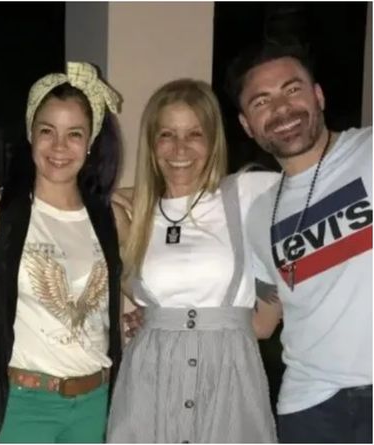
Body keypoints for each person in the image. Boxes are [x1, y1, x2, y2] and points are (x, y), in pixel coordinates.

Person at [106, 79, 278, 442]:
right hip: (150, 380)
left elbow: (316, 189)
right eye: (166, 134)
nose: (179, 148)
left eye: (194, 134)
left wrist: (273, 301)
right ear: (152, 143)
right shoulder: (132, 214)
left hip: (229, 379)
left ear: (213, 140)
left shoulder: (248, 193)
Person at [226, 42, 372, 443]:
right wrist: (165, 316)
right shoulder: (260, 214)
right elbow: (262, 322)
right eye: (261, 101)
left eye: (292, 90)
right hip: (309, 407)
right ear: (247, 125)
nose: (282, 109)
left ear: (318, 96)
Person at [0, 62, 126, 443]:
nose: (59, 147)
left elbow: (134, 291)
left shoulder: (113, 218)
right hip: (23, 404)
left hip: (95, 403)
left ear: (91, 141)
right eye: (47, 131)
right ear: (30, 134)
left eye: (74, 134)